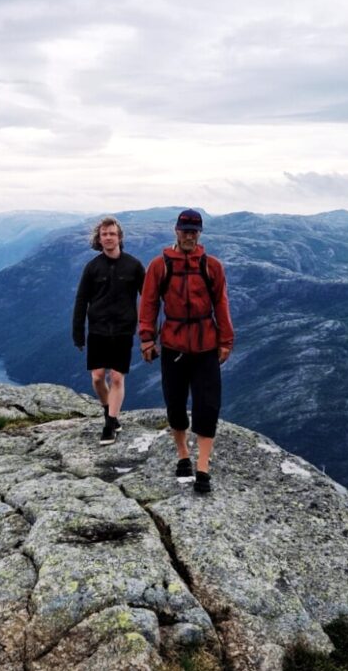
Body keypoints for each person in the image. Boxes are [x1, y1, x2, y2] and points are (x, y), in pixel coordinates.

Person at [138, 209, 234, 494]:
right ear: (176, 231)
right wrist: (146, 338)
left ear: (200, 233)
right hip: (174, 344)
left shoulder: (212, 266)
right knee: (176, 404)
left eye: (194, 231)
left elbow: (221, 304)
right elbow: (149, 304)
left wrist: (226, 340)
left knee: (208, 405)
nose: (189, 235)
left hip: (206, 344)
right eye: (185, 230)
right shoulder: (160, 265)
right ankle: (183, 455)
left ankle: (202, 467)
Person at [72, 216, 146, 445]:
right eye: (104, 234)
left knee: (116, 377)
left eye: (112, 233)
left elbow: (149, 298)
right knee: (96, 378)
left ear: (119, 237)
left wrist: (147, 331)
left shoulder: (133, 266)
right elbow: (81, 300)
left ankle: (109, 425)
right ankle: (109, 413)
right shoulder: (92, 267)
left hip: (123, 330)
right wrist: (78, 331)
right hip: (98, 329)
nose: (108, 237)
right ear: (99, 238)